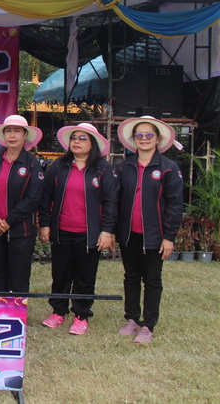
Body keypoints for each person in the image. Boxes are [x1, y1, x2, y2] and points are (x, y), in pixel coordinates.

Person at [39, 123, 119, 335]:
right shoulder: (58, 166)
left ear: (93, 143)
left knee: (85, 276)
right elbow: (46, 196)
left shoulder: (103, 169)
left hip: (89, 233)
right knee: (60, 274)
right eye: (74, 137)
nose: (76, 141)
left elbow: (111, 202)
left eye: (83, 138)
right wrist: (45, 223)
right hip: (61, 230)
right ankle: (58, 312)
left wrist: (107, 231)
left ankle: (81, 315)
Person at [115, 116, 183, 344]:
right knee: (131, 277)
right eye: (139, 135)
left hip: (155, 236)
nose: (144, 139)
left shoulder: (169, 168)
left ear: (158, 139)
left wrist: (169, 237)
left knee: (152, 280)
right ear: (133, 139)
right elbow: (115, 201)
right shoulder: (124, 167)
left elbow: (175, 205)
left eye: (149, 134)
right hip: (128, 234)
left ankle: (148, 325)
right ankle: (132, 318)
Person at [0, 115, 44, 293]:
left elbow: (33, 198)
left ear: (25, 135)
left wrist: (9, 221)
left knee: (19, 278)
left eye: (17, 131)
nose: (12, 135)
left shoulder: (33, 164)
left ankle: (17, 309)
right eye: (8, 131)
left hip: (21, 231)